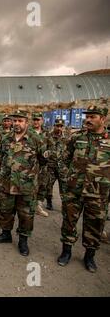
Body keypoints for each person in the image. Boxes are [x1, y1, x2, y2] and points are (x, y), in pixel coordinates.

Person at [57, 104, 109, 273]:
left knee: (95, 224)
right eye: (87, 116)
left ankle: (89, 256)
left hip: (99, 193)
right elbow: (64, 158)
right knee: (69, 221)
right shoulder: (77, 137)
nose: (88, 119)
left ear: (103, 119)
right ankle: (66, 252)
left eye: (93, 117)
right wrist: (66, 178)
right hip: (74, 189)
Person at [0, 110, 46, 256]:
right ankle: (5, 234)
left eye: (20, 121)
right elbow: (1, 156)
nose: (16, 124)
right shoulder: (6, 138)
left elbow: (44, 160)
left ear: (26, 122)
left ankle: (23, 241)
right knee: (6, 210)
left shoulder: (35, 139)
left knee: (26, 214)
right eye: (14, 121)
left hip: (26, 186)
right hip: (7, 183)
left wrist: (35, 180)